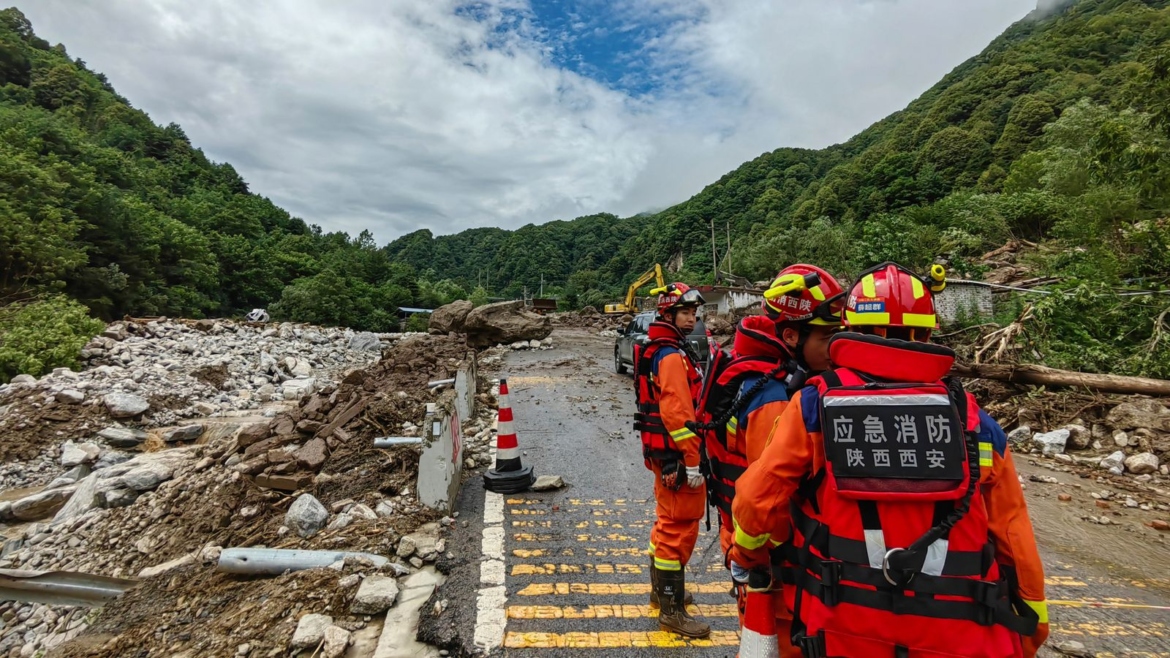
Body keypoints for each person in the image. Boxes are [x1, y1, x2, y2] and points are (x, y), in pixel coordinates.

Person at [729, 262, 1048, 658]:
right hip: (960, 638)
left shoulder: (813, 406)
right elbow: (1014, 539)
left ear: (849, 329)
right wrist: (1031, 626)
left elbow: (757, 502)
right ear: (929, 332)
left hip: (841, 631)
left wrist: (747, 556)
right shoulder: (973, 422)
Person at [695, 265, 844, 657]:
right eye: (828, 336)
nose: (838, 347)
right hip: (772, 563)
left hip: (745, 542)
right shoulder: (773, 395)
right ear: (791, 336)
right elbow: (767, 500)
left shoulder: (750, 371)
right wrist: (753, 557)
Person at [633, 281, 710, 638]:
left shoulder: (656, 347)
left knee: (666, 522)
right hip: (678, 458)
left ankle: (661, 592)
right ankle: (672, 611)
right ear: (667, 313)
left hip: (662, 455)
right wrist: (693, 461)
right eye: (685, 312)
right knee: (678, 528)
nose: (692, 317)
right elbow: (679, 414)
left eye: (693, 312)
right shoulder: (671, 355)